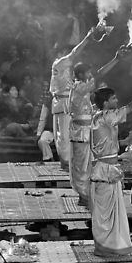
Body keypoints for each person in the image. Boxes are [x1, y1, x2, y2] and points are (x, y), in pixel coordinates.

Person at [89, 83, 132, 257]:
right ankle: (105, 246)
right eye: (113, 98)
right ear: (105, 102)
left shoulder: (104, 118)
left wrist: (124, 143)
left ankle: (113, 245)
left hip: (110, 168)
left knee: (113, 212)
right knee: (105, 213)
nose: (116, 100)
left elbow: (105, 143)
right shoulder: (104, 116)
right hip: (104, 171)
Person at [68, 51, 123, 206]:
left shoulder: (81, 89)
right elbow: (98, 75)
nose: (90, 75)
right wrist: (115, 59)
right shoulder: (79, 87)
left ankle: (86, 195)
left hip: (85, 134)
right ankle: (84, 195)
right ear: (80, 74)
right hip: (81, 134)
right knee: (81, 166)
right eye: (88, 73)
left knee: (85, 165)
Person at [49, 26, 95, 171]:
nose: (69, 56)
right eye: (66, 53)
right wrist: (87, 38)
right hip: (60, 102)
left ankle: (70, 163)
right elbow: (74, 53)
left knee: (65, 135)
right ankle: (66, 162)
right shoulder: (59, 63)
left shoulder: (66, 69)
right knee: (61, 137)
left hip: (66, 102)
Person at [36, 81, 55, 164]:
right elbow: (42, 119)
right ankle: (49, 159)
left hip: (65, 131)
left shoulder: (67, 100)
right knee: (42, 141)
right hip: (51, 131)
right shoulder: (47, 102)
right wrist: (38, 133)